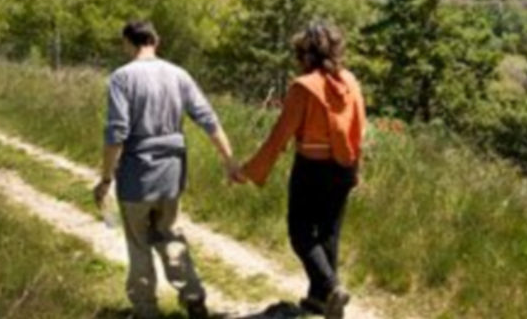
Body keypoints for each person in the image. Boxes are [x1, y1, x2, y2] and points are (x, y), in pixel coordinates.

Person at [93, 21, 236, 319]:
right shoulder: (178, 75)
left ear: (128, 43)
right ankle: (193, 294)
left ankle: (146, 309)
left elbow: (116, 133)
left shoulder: (122, 78)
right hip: (172, 171)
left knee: (138, 242)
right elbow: (208, 119)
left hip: (136, 173)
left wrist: (106, 178)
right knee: (169, 232)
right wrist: (228, 159)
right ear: (155, 41)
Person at [230, 24, 366, 319]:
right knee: (329, 233)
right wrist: (356, 169)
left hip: (312, 168)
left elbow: (279, 137)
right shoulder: (351, 81)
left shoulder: (304, 87)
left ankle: (330, 289)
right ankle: (319, 301)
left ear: (306, 54)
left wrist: (247, 171)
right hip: (344, 166)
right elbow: (359, 129)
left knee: (300, 232)